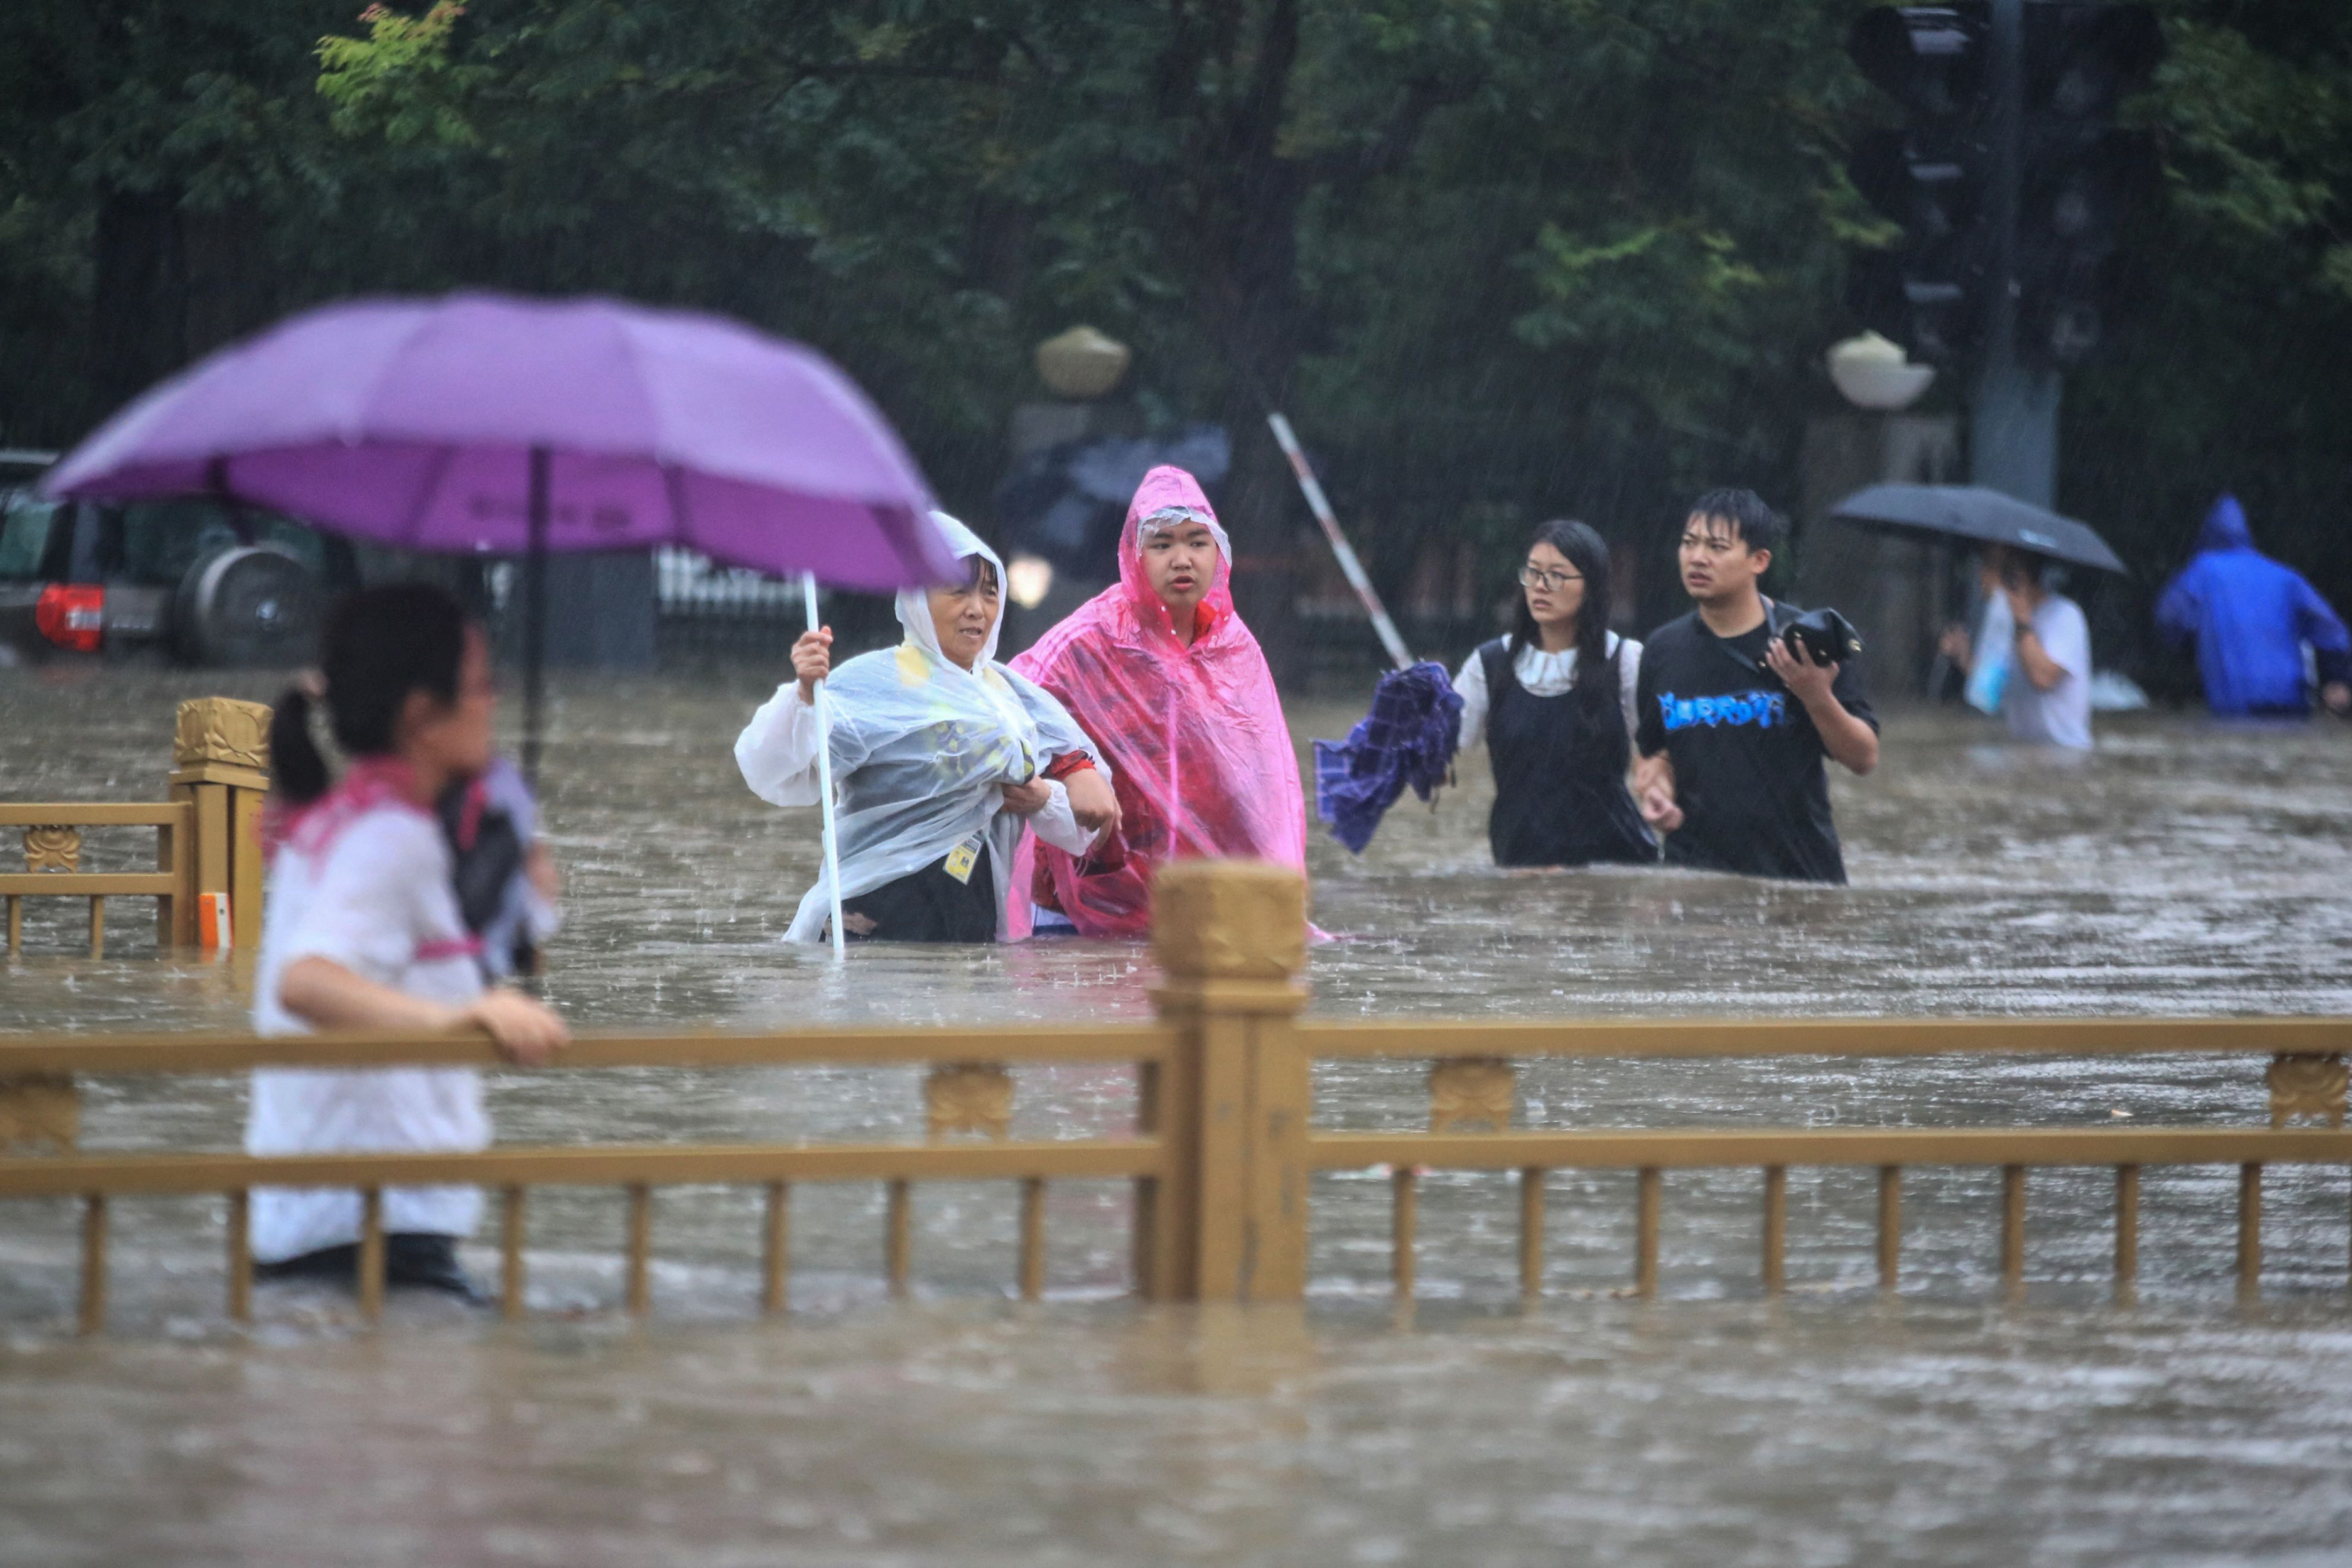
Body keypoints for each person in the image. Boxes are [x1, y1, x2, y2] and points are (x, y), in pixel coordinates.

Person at [252, 584, 569, 1299]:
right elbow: (307, 981)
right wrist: (458, 1019)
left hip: (341, 1216)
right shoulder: (390, 839)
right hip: (367, 1233)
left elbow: (453, 955)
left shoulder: (355, 820)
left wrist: (523, 866)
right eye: (481, 686)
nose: (494, 702)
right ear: (424, 714)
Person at [735, 514, 1118, 943]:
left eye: (990, 594)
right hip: (874, 912)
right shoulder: (871, 682)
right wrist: (804, 696)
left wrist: (1043, 798)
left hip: (971, 916)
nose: (977, 609)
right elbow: (775, 772)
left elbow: (1086, 827)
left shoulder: (1012, 696)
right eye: (958, 591)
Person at [1007, 465, 1308, 937]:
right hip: (1083, 903)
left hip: (1197, 907)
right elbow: (1007, 701)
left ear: (1219, 553)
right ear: (1134, 555)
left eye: (1196, 541)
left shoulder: (1234, 649)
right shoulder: (1091, 639)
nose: (1182, 559)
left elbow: (1266, 783)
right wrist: (1073, 766)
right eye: (1162, 544)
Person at [1634, 488, 1879, 884]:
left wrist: (1815, 695)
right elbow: (1653, 750)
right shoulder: (1663, 650)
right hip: (1695, 880)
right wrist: (1655, 790)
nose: (1697, 558)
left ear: (1759, 560)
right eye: (1688, 543)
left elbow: (1863, 757)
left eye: (1717, 547)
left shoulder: (1808, 642)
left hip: (1799, 879)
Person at [1452, 518, 1653, 868]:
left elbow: (1662, 750)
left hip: (1614, 867)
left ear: (1590, 586)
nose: (1540, 587)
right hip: (1518, 862)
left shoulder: (1625, 660)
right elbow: (1446, 745)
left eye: (1556, 576)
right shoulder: (1489, 665)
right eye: (1532, 573)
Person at [2155, 493, 2352, 717]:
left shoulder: (2202, 571)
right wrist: (2339, 678)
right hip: (2290, 698)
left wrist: (2184, 647)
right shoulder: (2284, 576)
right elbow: (2333, 631)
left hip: (2233, 698)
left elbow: (2168, 617)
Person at [1937, 546, 2094, 750]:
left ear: (2016, 578)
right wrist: (1963, 655)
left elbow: (2043, 677)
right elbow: (1989, 690)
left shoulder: (2064, 615)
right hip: (2024, 752)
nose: (1980, 575)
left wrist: (2021, 620)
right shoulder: (2002, 619)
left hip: (2066, 753)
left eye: (1988, 567)